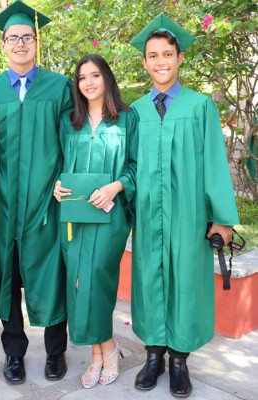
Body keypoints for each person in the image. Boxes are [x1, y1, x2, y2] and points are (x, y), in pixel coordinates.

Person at [129, 13, 239, 397]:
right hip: (147, 215)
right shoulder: (136, 111)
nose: (160, 62)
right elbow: (128, 166)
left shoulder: (200, 106)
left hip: (189, 215)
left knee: (186, 281)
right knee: (150, 279)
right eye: (153, 55)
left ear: (179, 59)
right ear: (144, 62)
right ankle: (154, 354)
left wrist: (222, 219)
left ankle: (179, 360)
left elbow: (213, 164)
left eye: (167, 55)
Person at [0, 0, 73, 384]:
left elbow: (72, 140)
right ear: (2, 45)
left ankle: (55, 353)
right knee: (8, 280)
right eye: (12, 38)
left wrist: (66, 181)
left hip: (46, 203)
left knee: (51, 277)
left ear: (36, 41)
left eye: (26, 37)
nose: (20, 44)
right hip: (3, 207)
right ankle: (13, 354)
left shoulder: (60, 87)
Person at [53, 54, 137, 388]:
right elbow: (58, 162)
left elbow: (136, 166)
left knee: (98, 279)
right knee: (76, 282)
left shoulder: (128, 119)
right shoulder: (68, 120)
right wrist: (57, 186)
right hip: (74, 214)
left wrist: (116, 187)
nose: (88, 83)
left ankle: (106, 350)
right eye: (82, 77)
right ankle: (102, 352)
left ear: (107, 79)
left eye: (95, 75)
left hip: (109, 213)